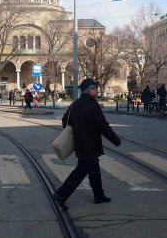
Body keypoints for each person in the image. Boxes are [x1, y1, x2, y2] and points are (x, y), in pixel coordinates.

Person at [52, 79, 121, 210]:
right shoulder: (92, 105)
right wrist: (115, 140)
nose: (97, 91)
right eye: (95, 89)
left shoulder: (75, 104)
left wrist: (76, 130)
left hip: (81, 143)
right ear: (89, 90)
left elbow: (65, 120)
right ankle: (61, 194)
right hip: (90, 144)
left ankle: (99, 195)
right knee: (80, 171)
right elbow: (103, 126)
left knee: (94, 169)